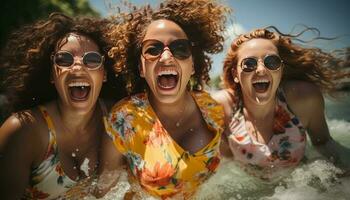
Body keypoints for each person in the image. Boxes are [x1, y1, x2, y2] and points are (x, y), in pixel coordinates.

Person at [102, 0, 230, 198]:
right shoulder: (123, 118)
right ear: (141, 68)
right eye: (153, 49)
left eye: (180, 48)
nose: (166, 57)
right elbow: (105, 190)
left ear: (193, 66)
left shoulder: (212, 108)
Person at [0, 13, 125, 199]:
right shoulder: (23, 131)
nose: (77, 68)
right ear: (52, 75)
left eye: (91, 60)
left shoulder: (120, 117)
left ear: (104, 74)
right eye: (64, 59)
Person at [213, 27, 350, 179]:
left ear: (281, 70)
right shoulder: (221, 107)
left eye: (271, 61)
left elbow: (323, 142)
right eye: (249, 64)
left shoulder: (304, 98)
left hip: (298, 182)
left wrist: (341, 171)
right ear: (235, 74)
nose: (261, 69)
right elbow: (222, 161)